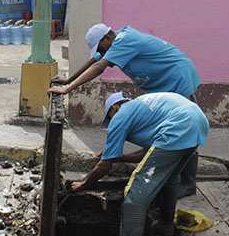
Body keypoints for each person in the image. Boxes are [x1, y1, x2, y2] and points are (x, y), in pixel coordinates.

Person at [49, 23, 201, 196]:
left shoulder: (124, 40)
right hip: (162, 84)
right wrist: (68, 80)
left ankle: (187, 183)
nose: (103, 53)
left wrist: (67, 90)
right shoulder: (115, 42)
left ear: (106, 38)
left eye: (101, 47)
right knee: (165, 132)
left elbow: (99, 67)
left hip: (176, 78)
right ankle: (172, 178)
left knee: (185, 127)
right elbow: (94, 61)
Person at [71, 91, 209, 236]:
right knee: (169, 177)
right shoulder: (142, 106)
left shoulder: (121, 115)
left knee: (137, 186)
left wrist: (84, 183)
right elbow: (146, 154)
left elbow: (104, 167)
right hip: (197, 121)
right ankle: (165, 225)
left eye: (110, 117)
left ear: (114, 108)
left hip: (178, 126)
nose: (112, 122)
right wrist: (115, 156)